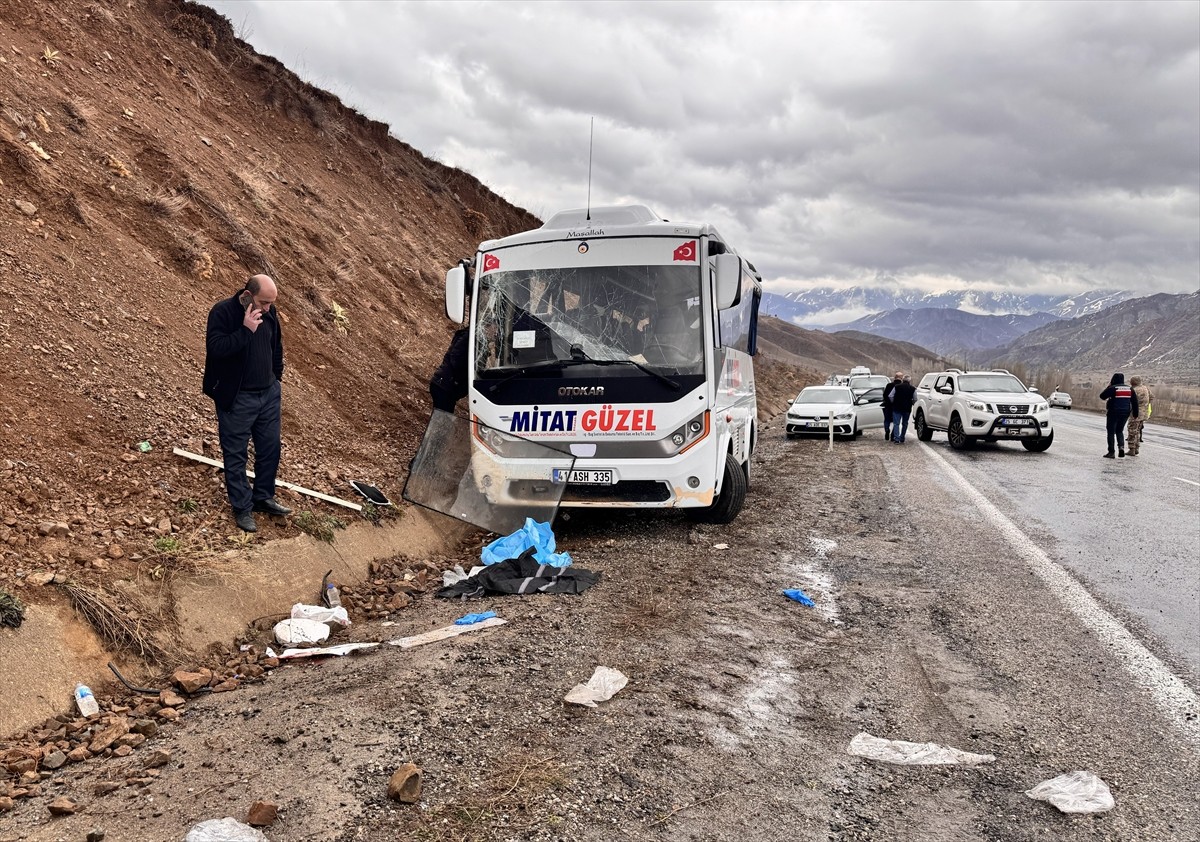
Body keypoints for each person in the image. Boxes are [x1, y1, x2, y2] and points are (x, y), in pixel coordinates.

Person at [203, 275, 291, 532]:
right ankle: (242, 507)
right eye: (264, 302)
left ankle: (263, 497)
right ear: (247, 293)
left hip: (268, 394)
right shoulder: (224, 312)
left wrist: (276, 378)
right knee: (236, 453)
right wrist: (245, 330)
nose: (267, 308)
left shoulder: (269, 311)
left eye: (270, 304)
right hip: (238, 397)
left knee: (270, 448)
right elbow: (216, 348)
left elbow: (276, 346)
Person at [430, 327, 470, 412]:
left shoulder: (470, 336)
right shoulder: (469, 337)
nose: (496, 332)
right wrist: (463, 378)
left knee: (443, 419)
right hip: (445, 385)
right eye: (495, 327)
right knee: (442, 420)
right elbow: (456, 357)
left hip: (446, 385)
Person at [1099, 372, 1138, 459]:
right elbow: (1135, 402)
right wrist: (1135, 414)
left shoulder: (1113, 388)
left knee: (1111, 432)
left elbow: (1102, 396)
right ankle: (1121, 448)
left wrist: (1108, 386)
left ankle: (1111, 452)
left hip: (1113, 412)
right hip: (1125, 413)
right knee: (1119, 431)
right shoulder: (1130, 389)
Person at [1126, 376, 1153, 456]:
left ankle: (1132, 449)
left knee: (1132, 430)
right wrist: (1145, 404)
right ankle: (1136, 448)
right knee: (1138, 431)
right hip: (1144, 413)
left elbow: (1130, 400)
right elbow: (1151, 397)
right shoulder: (1146, 388)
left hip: (1136, 413)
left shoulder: (1134, 390)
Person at [888, 372, 916, 444]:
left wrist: (893, 402)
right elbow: (915, 398)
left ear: (903, 380)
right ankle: (902, 437)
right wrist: (912, 403)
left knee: (896, 424)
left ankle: (896, 439)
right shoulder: (913, 389)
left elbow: (890, 396)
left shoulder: (897, 387)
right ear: (909, 381)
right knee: (905, 423)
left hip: (897, 407)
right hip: (907, 408)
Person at [881, 372, 898, 440]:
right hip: (896, 406)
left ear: (894, 378)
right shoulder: (900, 385)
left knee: (887, 419)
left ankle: (887, 430)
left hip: (888, 405)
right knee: (896, 421)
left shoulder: (889, 385)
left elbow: (885, 395)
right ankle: (893, 434)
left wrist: (887, 401)